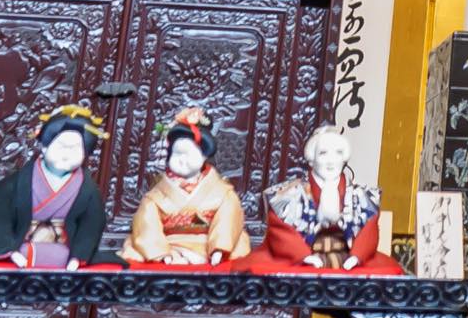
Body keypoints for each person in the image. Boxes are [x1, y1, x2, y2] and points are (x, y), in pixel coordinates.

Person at [0, 105, 111, 270]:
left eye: (75, 149)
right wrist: (9, 250)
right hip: (16, 245)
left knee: (112, 266)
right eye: (61, 146)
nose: (67, 154)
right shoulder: (12, 184)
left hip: (67, 250)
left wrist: (78, 257)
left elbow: (91, 225)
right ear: (45, 147)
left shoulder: (88, 190)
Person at [239, 124, 400, 273]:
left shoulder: (361, 195)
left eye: (338, 153)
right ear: (311, 160)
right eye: (323, 153)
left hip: (348, 257)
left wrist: (357, 256)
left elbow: (368, 232)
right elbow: (281, 232)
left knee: (390, 272)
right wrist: (303, 256)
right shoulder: (288, 194)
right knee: (257, 271)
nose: (331, 161)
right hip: (300, 257)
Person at [121, 108, 247, 267]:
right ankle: (165, 255)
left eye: (188, 154)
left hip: (207, 243)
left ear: (204, 156)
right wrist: (160, 253)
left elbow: (228, 219)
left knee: (236, 245)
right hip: (168, 243)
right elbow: (147, 222)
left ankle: (216, 252)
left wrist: (219, 249)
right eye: (177, 154)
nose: (182, 160)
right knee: (135, 248)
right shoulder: (156, 194)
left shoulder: (223, 192)